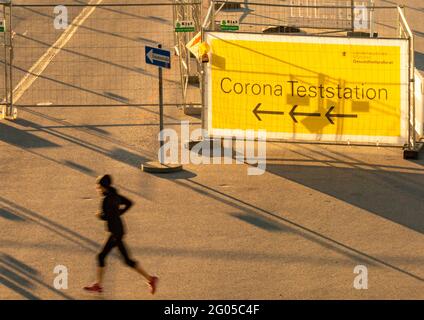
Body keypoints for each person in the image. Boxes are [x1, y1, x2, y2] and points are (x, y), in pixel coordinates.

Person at [84, 174, 158, 294]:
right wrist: (119, 212)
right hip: (118, 231)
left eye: (98, 187)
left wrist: (99, 215)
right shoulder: (115, 195)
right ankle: (151, 279)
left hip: (115, 233)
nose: (97, 189)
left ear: (104, 187)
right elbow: (129, 203)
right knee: (127, 260)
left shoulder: (106, 200)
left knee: (101, 256)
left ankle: (98, 285)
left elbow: (106, 216)